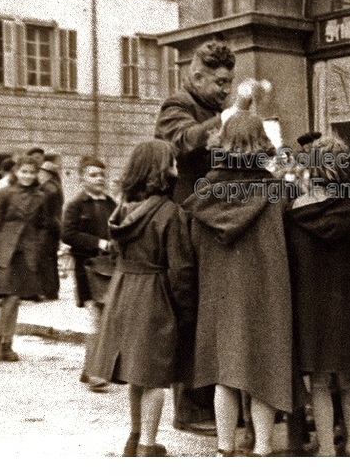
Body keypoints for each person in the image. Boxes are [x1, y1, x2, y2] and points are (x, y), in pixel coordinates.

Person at [154, 39, 255, 435]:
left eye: (229, 82)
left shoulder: (214, 107)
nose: (225, 90)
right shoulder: (176, 105)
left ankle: (209, 403)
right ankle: (190, 409)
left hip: (212, 216)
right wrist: (228, 117)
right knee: (191, 309)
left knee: (209, 309)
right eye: (219, 82)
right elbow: (179, 143)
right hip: (188, 219)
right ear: (195, 75)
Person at [184, 112, 296, 457]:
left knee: (225, 372)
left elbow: (195, 246)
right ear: (262, 143)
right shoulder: (276, 190)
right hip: (268, 292)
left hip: (220, 293)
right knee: (265, 371)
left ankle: (224, 449)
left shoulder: (206, 191)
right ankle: (263, 449)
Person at [89, 140, 196, 457]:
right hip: (155, 296)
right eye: (173, 164)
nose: (177, 169)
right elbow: (181, 270)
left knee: (137, 373)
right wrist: (186, 311)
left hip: (124, 291)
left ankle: (135, 438)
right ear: (161, 172)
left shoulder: (121, 211)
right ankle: (149, 447)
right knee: (155, 379)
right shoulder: (170, 213)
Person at [285, 134, 350, 457]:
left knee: (318, 383)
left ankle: (326, 449)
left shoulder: (294, 214)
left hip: (311, 309)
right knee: (349, 381)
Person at [0, 155, 47, 361]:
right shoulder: (4, 193)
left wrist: (38, 247)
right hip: (4, 252)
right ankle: (0, 343)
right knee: (9, 298)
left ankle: (5, 343)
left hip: (26, 254)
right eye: (24, 171)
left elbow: (43, 225)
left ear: (36, 174)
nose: (27, 176)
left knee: (14, 300)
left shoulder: (40, 197)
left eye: (32, 172)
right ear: (16, 172)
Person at [61, 156, 117, 391]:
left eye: (102, 175)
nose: (99, 179)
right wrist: (100, 243)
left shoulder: (110, 204)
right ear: (82, 177)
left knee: (107, 318)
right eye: (93, 175)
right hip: (87, 269)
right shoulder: (76, 205)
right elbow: (68, 235)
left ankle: (91, 368)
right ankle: (95, 372)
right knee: (96, 317)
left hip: (110, 268)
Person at [38, 160, 64, 300]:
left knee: (45, 259)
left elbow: (42, 210)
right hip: (54, 227)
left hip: (47, 228)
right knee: (51, 259)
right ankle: (52, 289)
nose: (39, 174)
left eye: (41, 172)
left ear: (47, 173)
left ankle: (48, 290)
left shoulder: (48, 188)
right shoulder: (55, 186)